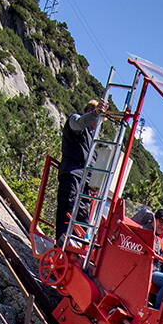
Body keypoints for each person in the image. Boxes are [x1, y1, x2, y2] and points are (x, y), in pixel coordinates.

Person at [58, 99, 105, 241]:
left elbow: (91, 163)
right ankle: (61, 243)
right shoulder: (75, 121)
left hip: (85, 182)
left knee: (83, 216)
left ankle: (76, 248)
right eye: (97, 118)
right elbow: (78, 124)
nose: (98, 123)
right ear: (89, 112)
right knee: (68, 210)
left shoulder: (92, 139)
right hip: (72, 174)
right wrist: (96, 113)